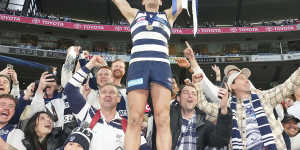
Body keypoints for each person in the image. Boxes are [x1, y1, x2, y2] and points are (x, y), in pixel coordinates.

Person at [111, 0, 183, 149]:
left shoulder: (168, 15)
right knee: (135, 119)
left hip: (161, 66)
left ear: (161, 1)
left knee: (163, 119)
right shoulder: (134, 14)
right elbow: (119, 2)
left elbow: (180, 5)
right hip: (138, 66)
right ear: (143, 2)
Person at [198, 64, 300, 149]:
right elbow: (204, 105)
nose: (247, 80)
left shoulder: (264, 97)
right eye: (242, 79)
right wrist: (197, 85)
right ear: (232, 86)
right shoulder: (227, 106)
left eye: (246, 78)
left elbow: (287, 86)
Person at [64, 56, 150, 150]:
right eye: (104, 92)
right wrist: (90, 64)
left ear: (119, 98)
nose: (108, 95)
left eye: (112, 92)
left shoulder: (130, 127)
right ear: (99, 97)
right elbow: (70, 89)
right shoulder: (88, 114)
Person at [170, 73, 232, 150]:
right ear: (178, 98)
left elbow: (221, 140)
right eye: (186, 93)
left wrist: (223, 108)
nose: (190, 95)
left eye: (194, 94)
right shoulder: (168, 118)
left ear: (196, 100)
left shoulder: (205, 125)